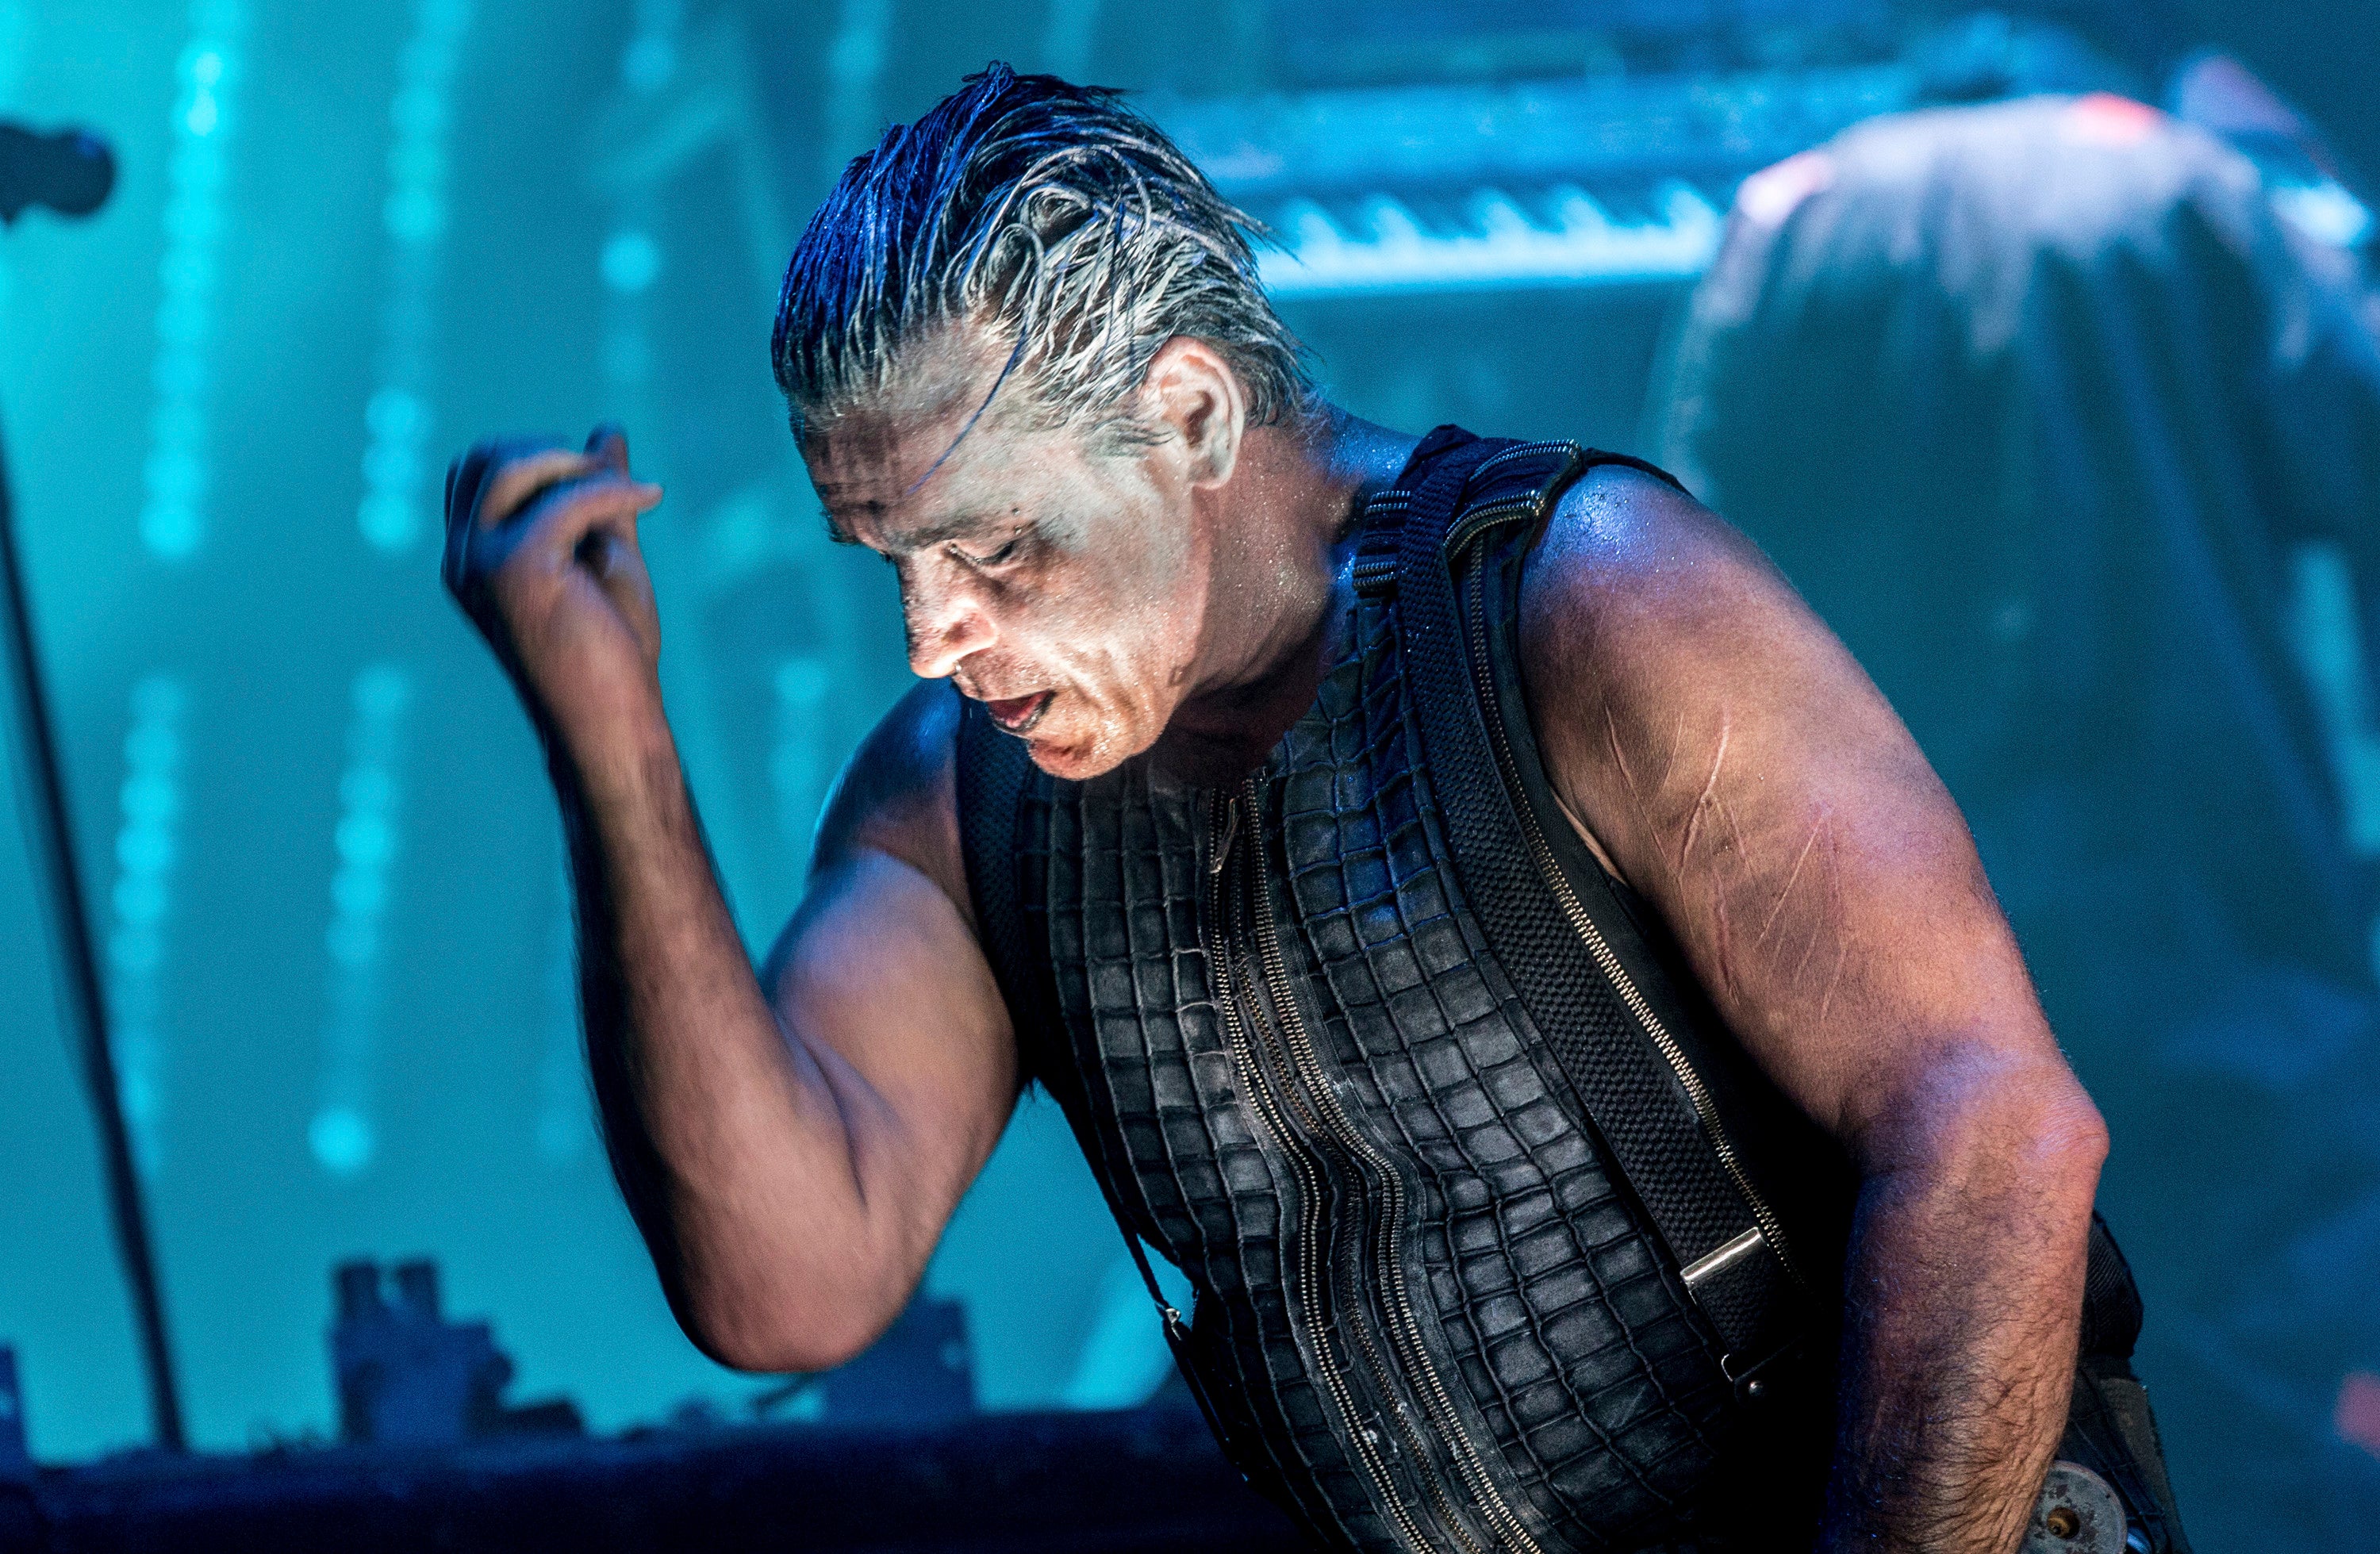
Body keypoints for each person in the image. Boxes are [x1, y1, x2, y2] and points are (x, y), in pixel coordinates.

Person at [442, 67, 2176, 1552]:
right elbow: (785, 1284)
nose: (931, 637)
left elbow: (1995, 1137)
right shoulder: (965, 803)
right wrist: (613, 743)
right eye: (891, 559)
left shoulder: (1584, 607)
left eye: (999, 547)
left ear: (1190, 415)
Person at [1653, 90, 2380, 1543]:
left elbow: (1691, 573)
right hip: (2201, 860)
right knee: (2242, 1295)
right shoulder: (2177, 183)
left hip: (1906, 883)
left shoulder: (1789, 217)